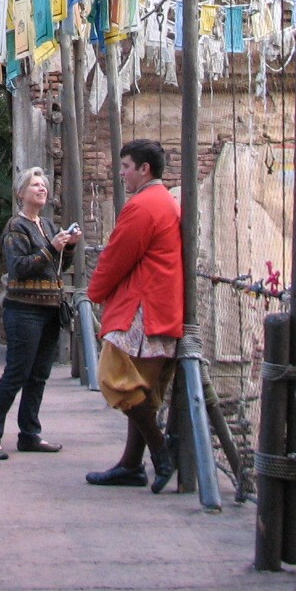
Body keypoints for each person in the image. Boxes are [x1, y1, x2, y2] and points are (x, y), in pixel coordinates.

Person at [84, 139, 183, 492]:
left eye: (126, 166)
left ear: (145, 169)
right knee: (142, 386)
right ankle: (130, 465)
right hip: (163, 304)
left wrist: (93, 292)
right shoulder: (165, 201)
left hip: (145, 307)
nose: (121, 173)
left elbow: (117, 254)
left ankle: (160, 452)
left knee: (114, 376)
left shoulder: (144, 205)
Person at [0, 166, 79, 460]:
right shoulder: (15, 228)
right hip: (24, 311)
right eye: (35, 185)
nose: (41, 189)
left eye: (44, 185)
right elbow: (19, 267)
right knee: (16, 373)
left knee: (39, 375)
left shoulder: (47, 225)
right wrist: (51, 247)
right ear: (21, 193)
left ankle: (30, 433)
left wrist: (67, 248)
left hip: (49, 309)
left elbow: (58, 266)